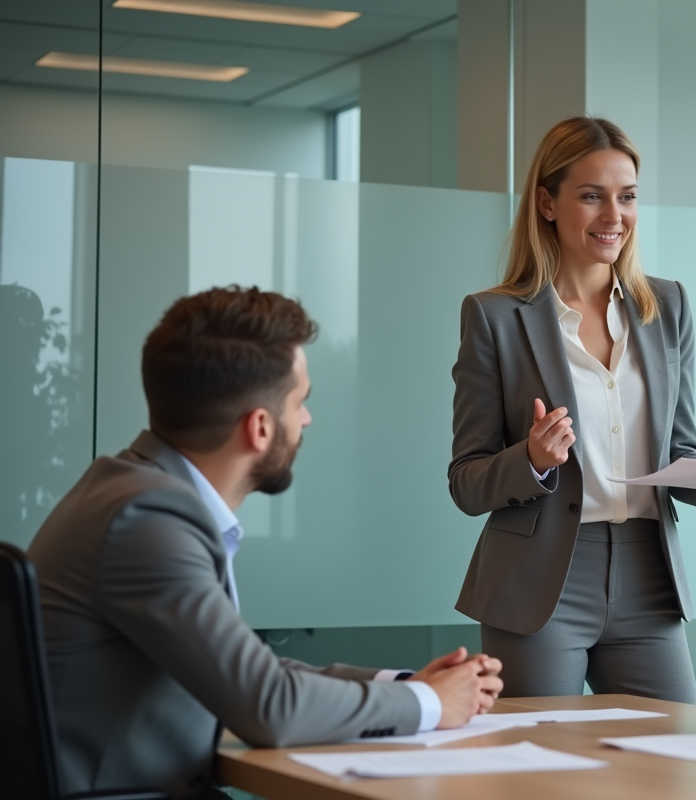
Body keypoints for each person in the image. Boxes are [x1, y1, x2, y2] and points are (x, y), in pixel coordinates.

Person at [28, 287, 503, 799]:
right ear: (259, 427)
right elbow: (268, 707)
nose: (306, 420)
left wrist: (407, 685)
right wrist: (429, 706)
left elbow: (251, 669)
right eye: (301, 402)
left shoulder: (128, 489)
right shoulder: (148, 522)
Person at [448, 116, 696, 702]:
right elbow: (466, 482)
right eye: (591, 196)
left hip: (649, 578)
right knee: (546, 779)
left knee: (671, 770)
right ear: (547, 203)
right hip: (539, 580)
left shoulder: (667, 306)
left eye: (626, 197)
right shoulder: (494, 316)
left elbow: (678, 451)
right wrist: (530, 459)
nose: (614, 216)